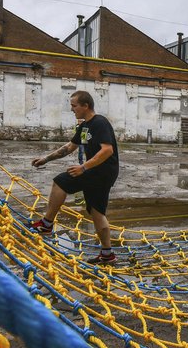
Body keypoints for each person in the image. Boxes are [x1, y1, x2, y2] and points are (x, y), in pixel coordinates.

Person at [29, 91, 120, 264]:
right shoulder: (84, 126)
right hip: (97, 172)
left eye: (74, 105)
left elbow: (107, 150)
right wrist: (45, 159)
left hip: (101, 172)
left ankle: (46, 225)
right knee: (96, 212)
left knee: (60, 182)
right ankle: (108, 254)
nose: (72, 109)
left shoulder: (100, 123)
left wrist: (83, 167)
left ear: (85, 106)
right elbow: (70, 146)